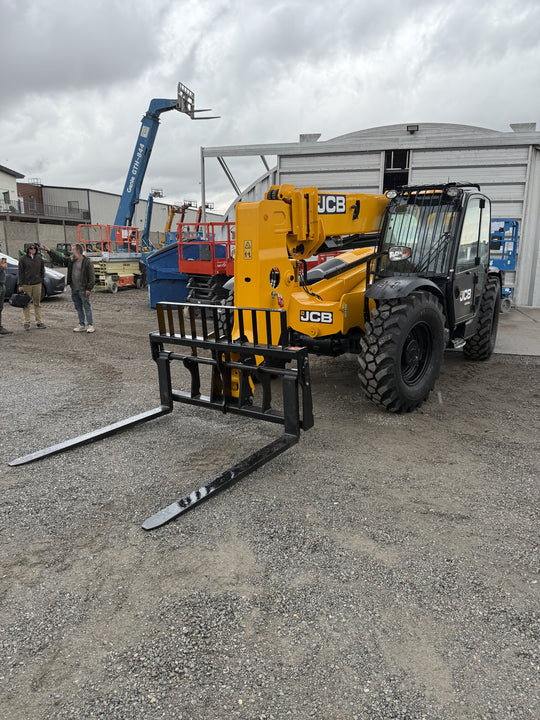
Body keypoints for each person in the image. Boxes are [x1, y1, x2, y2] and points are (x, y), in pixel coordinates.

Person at [42, 244, 96, 333]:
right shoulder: (71, 261)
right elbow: (60, 260)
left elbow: (91, 277)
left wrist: (89, 289)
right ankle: (81, 325)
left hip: (83, 289)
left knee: (87, 307)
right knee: (78, 307)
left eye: (72, 250)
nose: (71, 251)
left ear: (78, 251)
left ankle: (90, 325)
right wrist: (49, 251)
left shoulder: (86, 262)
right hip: (74, 289)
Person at [17, 244, 46, 330]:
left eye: (34, 248)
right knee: (26, 304)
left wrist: (41, 280)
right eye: (31, 248)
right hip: (26, 284)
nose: (33, 249)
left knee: (37, 303)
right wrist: (20, 284)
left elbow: (42, 270)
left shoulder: (39, 259)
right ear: (27, 249)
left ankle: (39, 322)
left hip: (37, 284)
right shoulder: (22, 259)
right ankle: (27, 322)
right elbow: (20, 272)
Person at [0, 257, 13, 335]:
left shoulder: (1, 257)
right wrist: (2, 267)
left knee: (0, 308)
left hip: (2, 284)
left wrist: (3, 266)